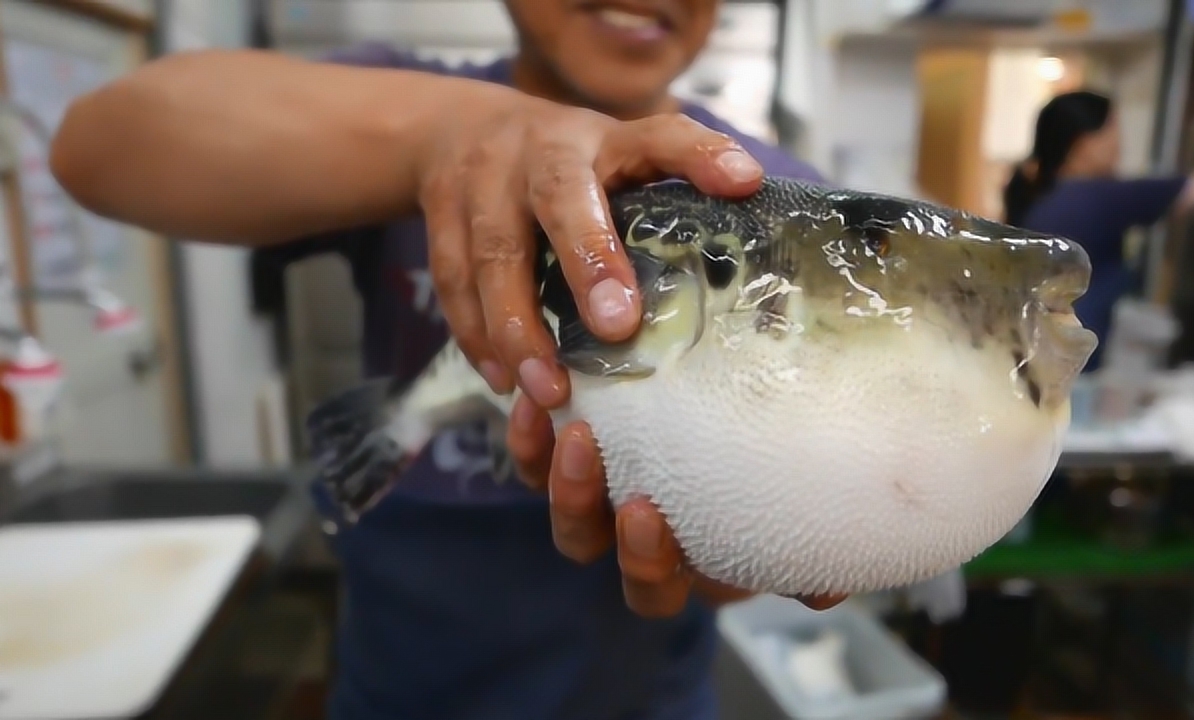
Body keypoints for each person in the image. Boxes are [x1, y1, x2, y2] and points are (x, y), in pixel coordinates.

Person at [48, 2, 847, 718]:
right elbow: (97, 146)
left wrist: (732, 546)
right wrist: (443, 136)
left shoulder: (775, 198)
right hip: (395, 689)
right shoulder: (398, 99)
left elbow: (738, 564)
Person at [1004, 90, 1194, 371]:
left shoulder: (1042, 199)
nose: (1119, 145)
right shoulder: (1097, 197)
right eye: (1113, 132)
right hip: (1069, 368)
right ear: (1086, 142)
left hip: (1039, 359)